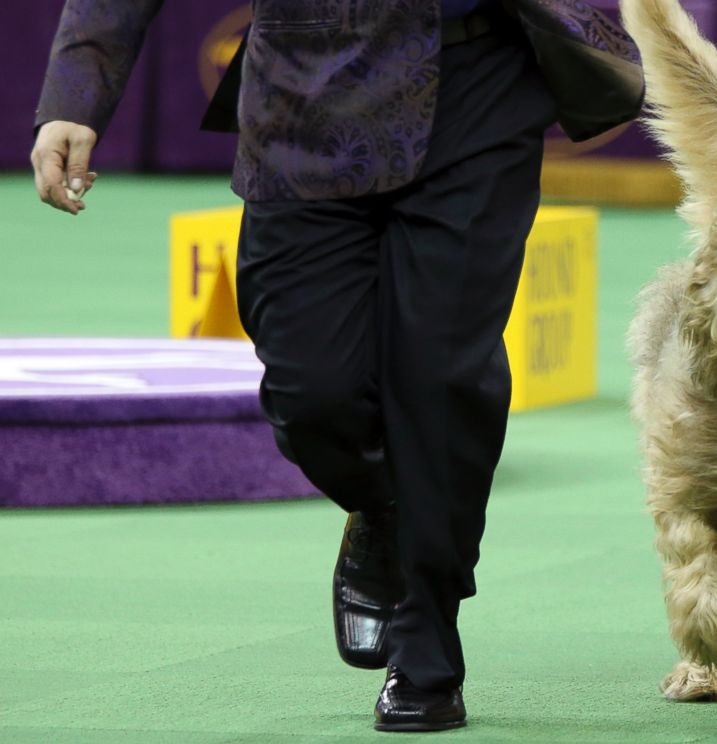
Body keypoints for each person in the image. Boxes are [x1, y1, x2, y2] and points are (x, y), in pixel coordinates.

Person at [31, 0, 643, 732]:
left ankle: (427, 641)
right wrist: (76, 93)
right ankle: (386, 512)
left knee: (442, 375)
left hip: (475, 79)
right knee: (310, 392)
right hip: (303, 92)